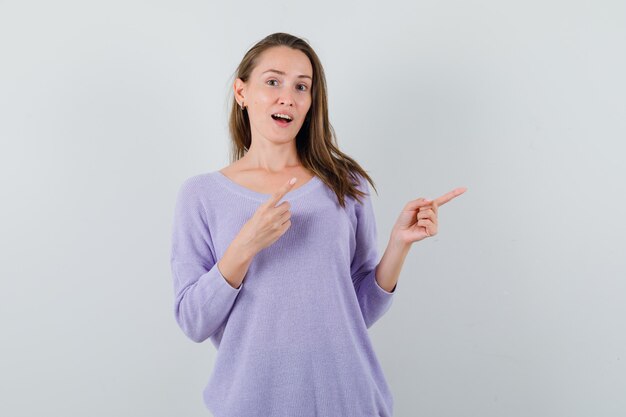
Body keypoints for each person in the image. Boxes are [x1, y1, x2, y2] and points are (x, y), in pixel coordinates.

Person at [170, 32, 466, 417]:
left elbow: (357, 311)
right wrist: (245, 246)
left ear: (311, 102)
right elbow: (193, 321)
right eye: (273, 81)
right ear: (241, 92)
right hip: (252, 405)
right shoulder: (201, 195)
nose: (287, 97)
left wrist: (398, 245)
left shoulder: (344, 184)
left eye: (301, 87)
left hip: (349, 400)